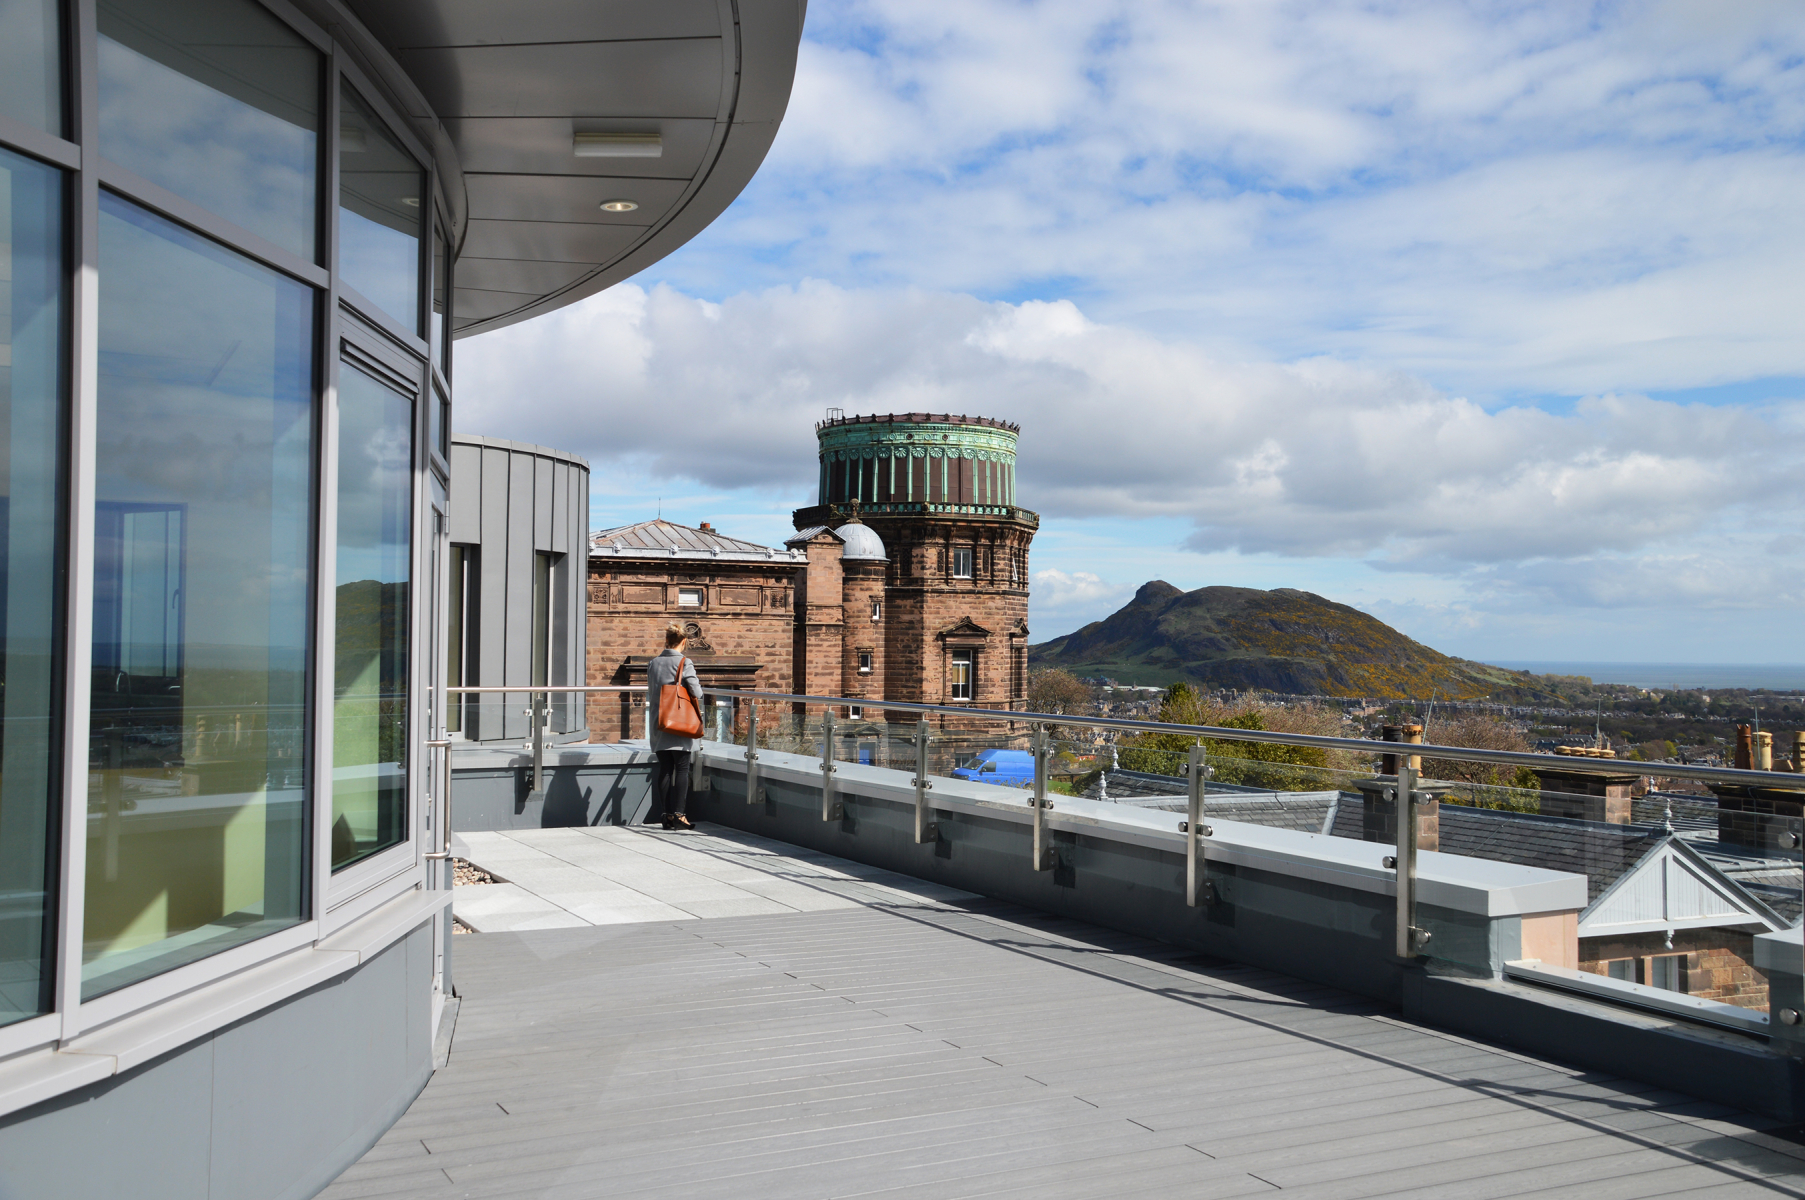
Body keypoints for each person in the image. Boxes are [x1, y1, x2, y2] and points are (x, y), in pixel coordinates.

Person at [646, 622, 704, 830]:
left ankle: (666, 815)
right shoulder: (684, 662)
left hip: (659, 722)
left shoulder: (653, 663)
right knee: (681, 768)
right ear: (684, 642)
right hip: (679, 723)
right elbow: (697, 693)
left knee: (665, 769)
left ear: (667, 641)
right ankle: (680, 814)